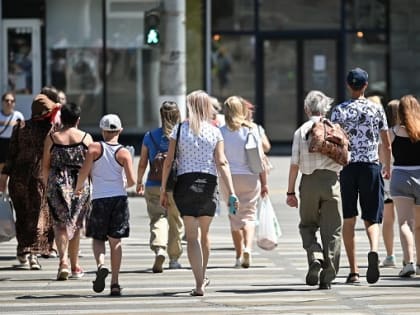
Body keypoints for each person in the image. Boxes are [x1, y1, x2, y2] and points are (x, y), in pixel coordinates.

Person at [159, 90, 238, 297]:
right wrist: (231, 192)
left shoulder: (178, 130)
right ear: (206, 107)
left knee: (191, 237)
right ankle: (202, 278)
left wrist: (163, 190)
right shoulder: (215, 132)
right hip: (208, 184)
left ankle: (199, 284)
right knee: (205, 235)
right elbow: (222, 162)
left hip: (185, 184)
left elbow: (168, 161)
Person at [331, 68, 391, 284]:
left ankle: (354, 271)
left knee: (349, 217)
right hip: (371, 166)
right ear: (365, 85)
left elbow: (334, 142)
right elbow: (386, 142)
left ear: (348, 85)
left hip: (348, 167)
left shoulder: (338, 111)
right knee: (372, 217)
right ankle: (374, 250)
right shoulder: (377, 109)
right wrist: (387, 165)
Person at [286, 90, 343, 290]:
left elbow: (294, 165)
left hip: (309, 182)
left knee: (307, 225)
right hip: (331, 183)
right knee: (333, 230)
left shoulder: (301, 131)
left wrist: (290, 192)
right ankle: (329, 273)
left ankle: (315, 255)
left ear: (306, 109)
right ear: (326, 108)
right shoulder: (335, 128)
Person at [75, 114, 135, 296]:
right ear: (120, 131)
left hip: (99, 198)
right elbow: (132, 181)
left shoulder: (93, 148)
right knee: (115, 242)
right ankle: (115, 283)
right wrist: (122, 183)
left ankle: (101, 266)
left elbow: (84, 173)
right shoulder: (124, 152)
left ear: (102, 130)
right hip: (119, 198)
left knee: (98, 239)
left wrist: (78, 189)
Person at [0, 94, 61, 269]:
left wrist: (4, 177)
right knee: (36, 216)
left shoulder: (20, 126)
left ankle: (24, 251)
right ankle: (32, 254)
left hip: (18, 179)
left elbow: (11, 155)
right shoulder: (50, 129)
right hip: (38, 179)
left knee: (22, 216)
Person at [42, 102, 93, 280]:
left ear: (61, 119)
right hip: (80, 184)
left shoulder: (53, 138)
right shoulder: (86, 138)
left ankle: (62, 261)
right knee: (76, 224)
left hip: (57, 183)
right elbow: (91, 166)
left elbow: (45, 166)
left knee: (60, 224)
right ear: (78, 119)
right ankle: (75, 265)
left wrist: (47, 185)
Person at [220, 95, 268, 268]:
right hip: (249, 178)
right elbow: (260, 159)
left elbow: (218, 159)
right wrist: (264, 183)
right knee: (249, 215)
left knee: (234, 216)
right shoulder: (251, 131)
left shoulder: (221, 132)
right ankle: (248, 248)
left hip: (229, 180)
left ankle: (238, 256)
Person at [136, 101, 184, 273]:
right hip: (176, 185)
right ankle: (174, 258)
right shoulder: (182, 135)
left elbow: (142, 162)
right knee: (175, 220)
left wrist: (139, 180)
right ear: (178, 115)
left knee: (158, 217)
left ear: (161, 115)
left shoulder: (149, 136)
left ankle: (159, 248)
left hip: (154, 184)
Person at [389, 95, 420, 277]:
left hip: (400, 177)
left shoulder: (392, 132)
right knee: (419, 225)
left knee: (404, 223)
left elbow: (384, 157)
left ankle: (408, 262)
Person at [377, 98, 400, 268]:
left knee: (388, 219)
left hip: (386, 180)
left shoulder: (386, 134)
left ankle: (390, 255)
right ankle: (411, 256)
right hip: (406, 178)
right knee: (410, 221)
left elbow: (379, 157)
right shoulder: (412, 132)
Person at [0, 92, 24, 173]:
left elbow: (23, 130)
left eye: (12, 101)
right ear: (2, 102)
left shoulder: (18, 115)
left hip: (14, 143)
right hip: (1, 143)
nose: (9, 103)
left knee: (13, 168)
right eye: (7, 100)